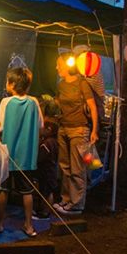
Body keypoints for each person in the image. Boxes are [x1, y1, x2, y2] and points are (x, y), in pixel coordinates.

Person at [0, 68, 43, 237]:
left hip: (7, 155)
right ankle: (28, 225)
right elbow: (41, 126)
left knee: (3, 190)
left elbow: (1, 127)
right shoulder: (34, 102)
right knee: (27, 191)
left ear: (12, 84)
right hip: (27, 155)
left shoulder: (6, 102)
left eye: (7, 81)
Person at [54, 53, 99, 215]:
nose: (57, 67)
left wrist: (94, 130)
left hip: (79, 129)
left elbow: (92, 107)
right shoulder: (61, 85)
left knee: (77, 168)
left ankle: (77, 204)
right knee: (64, 166)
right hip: (63, 128)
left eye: (59, 64)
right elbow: (60, 102)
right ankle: (66, 199)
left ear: (68, 65)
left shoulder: (82, 83)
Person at [36, 119, 59, 219]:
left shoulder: (47, 143)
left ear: (48, 129)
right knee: (47, 191)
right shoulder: (54, 142)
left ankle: (45, 212)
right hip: (51, 171)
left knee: (46, 192)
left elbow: (41, 157)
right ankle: (45, 210)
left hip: (46, 172)